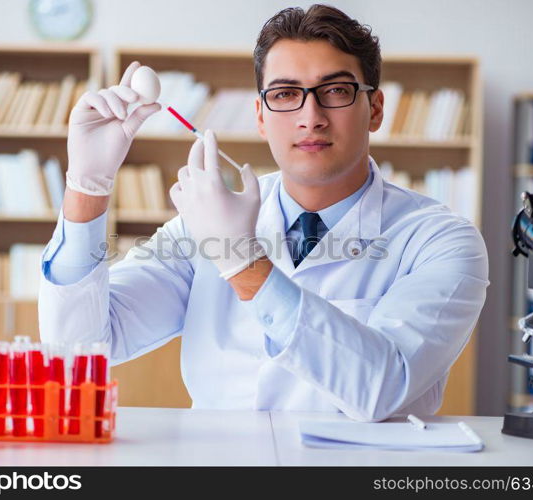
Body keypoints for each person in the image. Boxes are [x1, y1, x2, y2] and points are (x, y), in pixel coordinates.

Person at [39, 4, 489, 421]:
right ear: (260, 114)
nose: (310, 116)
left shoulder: (442, 242)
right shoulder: (205, 224)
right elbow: (77, 348)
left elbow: (383, 388)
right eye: (286, 93)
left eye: (335, 90)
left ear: (374, 108)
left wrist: (242, 261)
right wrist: (87, 188)